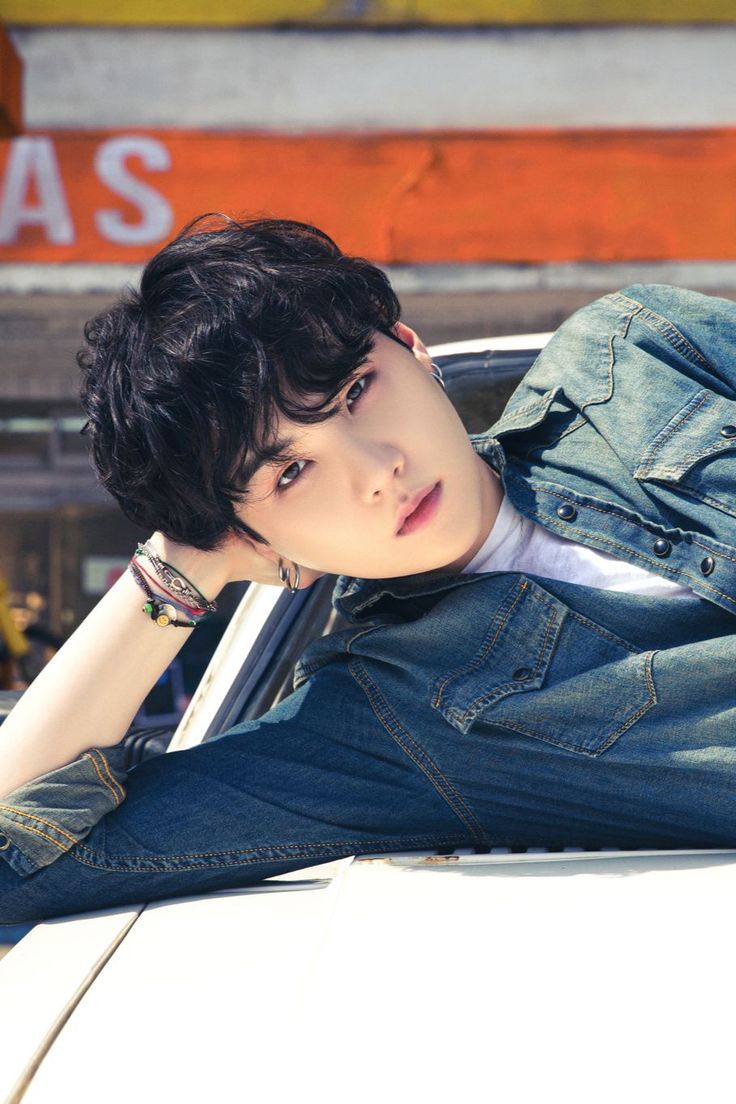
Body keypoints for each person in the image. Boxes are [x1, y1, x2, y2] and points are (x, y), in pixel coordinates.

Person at [1, 215, 735, 925]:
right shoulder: (383, 723)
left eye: (357, 390)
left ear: (413, 350)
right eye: (290, 473)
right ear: (249, 534)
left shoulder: (634, 351)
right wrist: (181, 565)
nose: (378, 470)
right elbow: (17, 855)